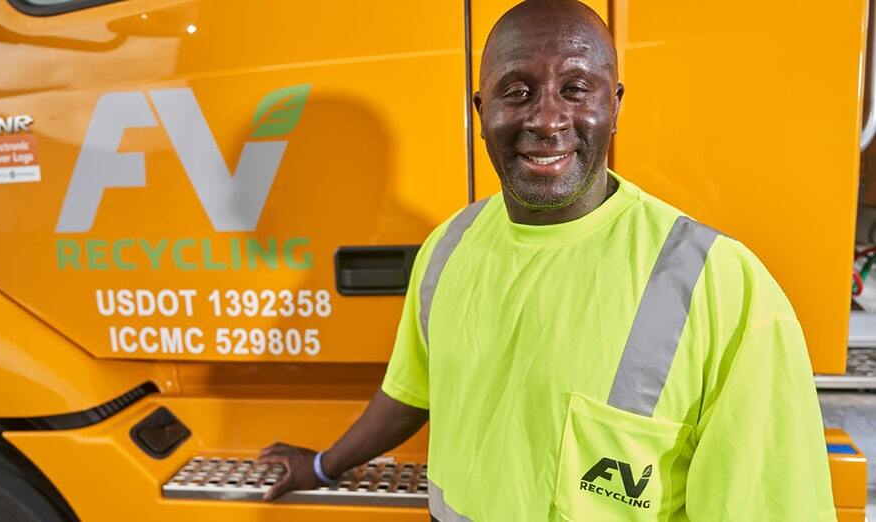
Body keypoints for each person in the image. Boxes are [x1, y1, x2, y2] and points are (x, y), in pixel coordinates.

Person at [258, 0, 836, 520]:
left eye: (577, 89)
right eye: (517, 91)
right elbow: (412, 391)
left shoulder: (721, 285)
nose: (546, 119)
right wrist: (324, 467)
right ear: (481, 110)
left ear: (616, 104)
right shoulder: (449, 247)